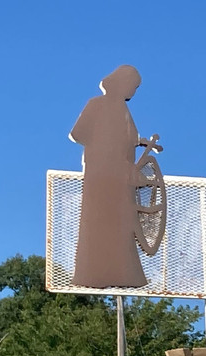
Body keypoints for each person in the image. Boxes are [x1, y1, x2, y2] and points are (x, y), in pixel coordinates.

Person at [70, 65, 149, 288]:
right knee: (99, 224)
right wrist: (104, 148)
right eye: (133, 86)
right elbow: (78, 133)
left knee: (122, 226)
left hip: (120, 179)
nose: (133, 91)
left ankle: (124, 275)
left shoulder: (124, 111)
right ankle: (93, 275)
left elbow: (128, 139)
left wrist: (140, 142)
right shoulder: (97, 104)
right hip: (102, 177)